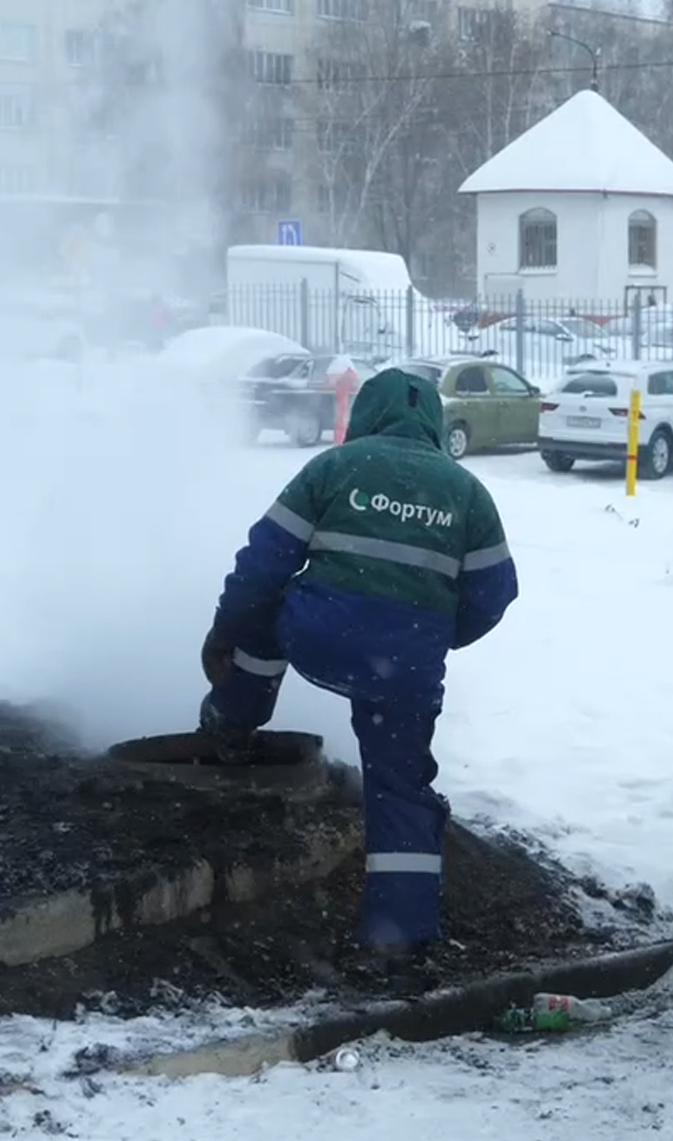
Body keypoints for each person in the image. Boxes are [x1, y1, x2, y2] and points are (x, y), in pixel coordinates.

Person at [195, 367, 518, 977]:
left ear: (364, 416)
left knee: (263, 615)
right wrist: (432, 637)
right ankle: (398, 940)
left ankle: (232, 725)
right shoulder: (466, 491)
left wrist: (224, 632)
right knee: (399, 788)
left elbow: (261, 564)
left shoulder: (334, 468)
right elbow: (496, 593)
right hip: (404, 671)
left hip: (318, 638)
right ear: (434, 424)